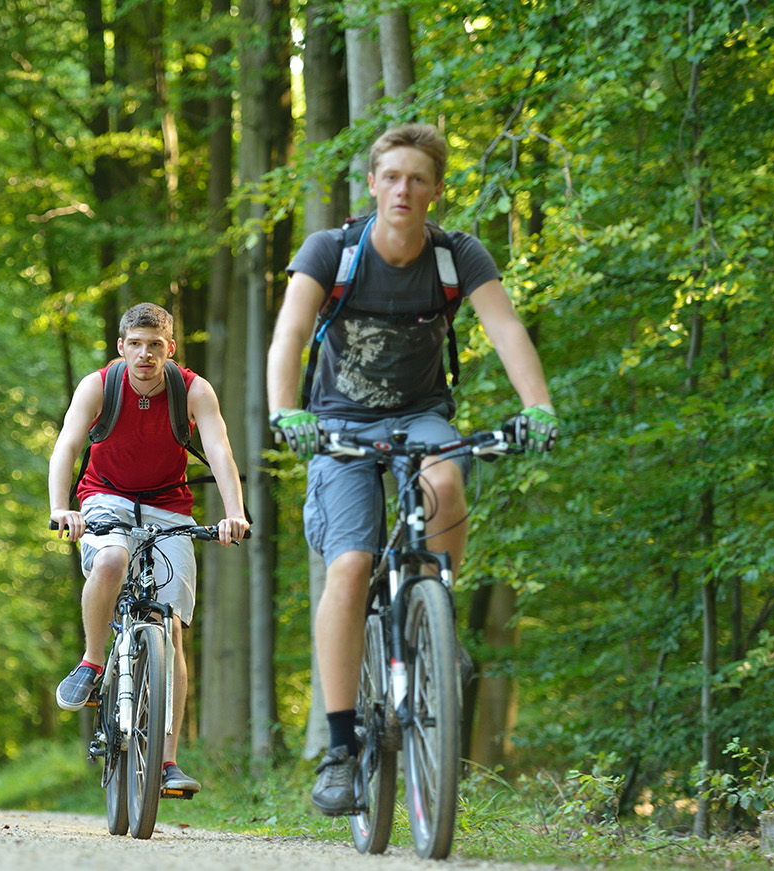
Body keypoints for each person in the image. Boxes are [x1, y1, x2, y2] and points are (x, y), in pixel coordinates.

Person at [266, 122, 559, 816]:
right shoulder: (332, 251)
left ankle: (434, 613)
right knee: (348, 565)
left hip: (422, 412)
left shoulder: (457, 256)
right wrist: (287, 412)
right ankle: (340, 749)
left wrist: (538, 406)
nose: (404, 189)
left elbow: (505, 328)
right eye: (391, 176)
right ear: (372, 184)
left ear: (435, 189)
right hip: (337, 421)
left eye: (418, 178)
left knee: (448, 477)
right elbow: (288, 331)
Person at [47, 302, 250, 796]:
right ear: (121, 347)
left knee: (171, 628)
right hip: (104, 496)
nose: (144, 354)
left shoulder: (193, 389)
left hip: (169, 504)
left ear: (170, 349)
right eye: (135, 344)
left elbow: (220, 449)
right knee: (112, 559)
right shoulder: (99, 386)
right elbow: (68, 445)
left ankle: (164, 763)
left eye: (154, 345)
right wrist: (61, 508)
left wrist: (234, 513)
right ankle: (94, 661)